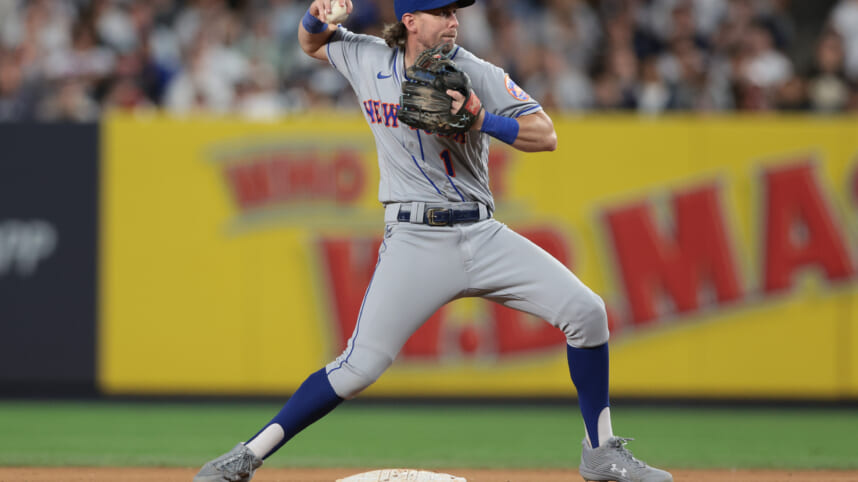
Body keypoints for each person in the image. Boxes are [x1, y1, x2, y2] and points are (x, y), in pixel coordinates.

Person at [193, 1, 673, 481]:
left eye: (454, 12)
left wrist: (483, 120)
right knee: (358, 368)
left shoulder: (475, 71)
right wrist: (317, 15)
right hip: (414, 239)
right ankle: (247, 455)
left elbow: (545, 135)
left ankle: (600, 453)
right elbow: (311, 42)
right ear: (410, 21)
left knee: (587, 314)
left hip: (482, 234)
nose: (453, 21)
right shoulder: (367, 57)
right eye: (441, 12)